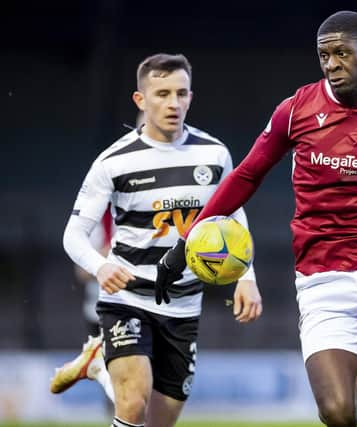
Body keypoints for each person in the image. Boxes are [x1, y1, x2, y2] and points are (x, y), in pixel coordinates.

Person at [156, 11, 357, 427]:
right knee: (338, 413)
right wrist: (185, 243)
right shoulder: (296, 109)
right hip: (322, 278)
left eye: (341, 53)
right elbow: (246, 175)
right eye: (324, 56)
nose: (332, 64)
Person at [53, 53, 263, 427]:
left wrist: (246, 278)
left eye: (181, 93)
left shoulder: (214, 155)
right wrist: (100, 267)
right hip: (128, 298)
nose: (173, 103)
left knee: (159, 421)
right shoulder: (113, 162)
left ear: (191, 97)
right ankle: (106, 366)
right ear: (140, 100)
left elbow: (232, 215)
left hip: (184, 305)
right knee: (134, 401)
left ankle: (99, 368)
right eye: (162, 93)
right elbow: (73, 235)